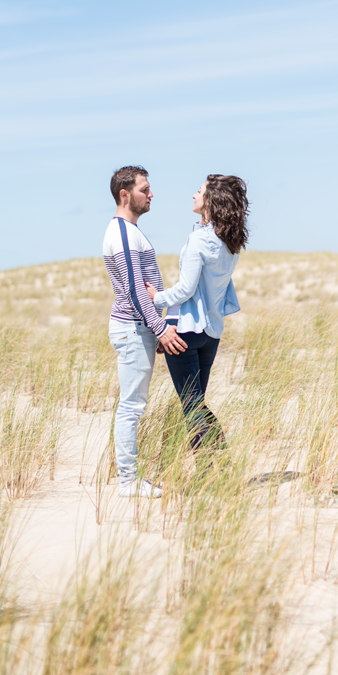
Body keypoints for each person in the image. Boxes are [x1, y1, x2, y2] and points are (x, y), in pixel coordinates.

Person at [145, 174, 248, 466]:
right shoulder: (230, 242)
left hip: (187, 331)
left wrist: (156, 299)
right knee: (196, 402)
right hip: (211, 332)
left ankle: (209, 469)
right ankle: (216, 465)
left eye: (199, 191)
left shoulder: (199, 241)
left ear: (210, 201)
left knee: (191, 405)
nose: (193, 195)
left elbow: (186, 290)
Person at [102, 165, 187, 499]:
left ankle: (129, 478)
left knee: (133, 405)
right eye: (144, 189)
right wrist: (160, 328)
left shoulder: (131, 231)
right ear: (125, 195)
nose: (151, 195)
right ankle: (127, 481)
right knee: (132, 407)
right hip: (133, 327)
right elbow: (137, 290)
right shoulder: (122, 233)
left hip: (139, 328)